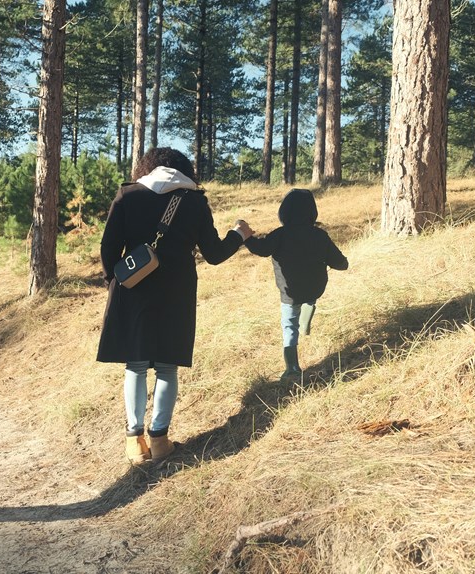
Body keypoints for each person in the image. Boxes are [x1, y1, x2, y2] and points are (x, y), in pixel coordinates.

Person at [97, 147, 254, 465]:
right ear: (184, 171)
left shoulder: (128, 195)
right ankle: (160, 440)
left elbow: (108, 247)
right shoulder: (194, 201)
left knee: (136, 365)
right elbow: (214, 253)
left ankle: (133, 443)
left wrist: (115, 282)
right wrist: (238, 235)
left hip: (134, 288)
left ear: (147, 167)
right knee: (167, 366)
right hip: (177, 291)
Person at [244, 188, 348, 379]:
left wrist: (246, 237)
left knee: (289, 326)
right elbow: (338, 261)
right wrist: (343, 264)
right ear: (312, 212)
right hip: (315, 287)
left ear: (284, 213)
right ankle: (308, 312)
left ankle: (292, 368)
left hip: (290, 293)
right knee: (310, 297)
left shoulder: (280, 235)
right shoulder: (319, 235)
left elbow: (261, 248)